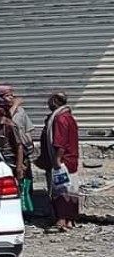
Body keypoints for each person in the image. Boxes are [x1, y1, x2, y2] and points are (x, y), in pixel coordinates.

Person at [39, 92, 80, 231]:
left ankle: (61, 220)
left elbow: (60, 141)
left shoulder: (60, 119)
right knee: (70, 188)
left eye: (50, 100)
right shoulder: (68, 117)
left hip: (62, 161)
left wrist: (57, 159)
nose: (48, 103)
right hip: (71, 160)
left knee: (60, 189)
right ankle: (69, 220)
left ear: (56, 102)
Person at [0, 85, 36, 215]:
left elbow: (27, 130)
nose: (11, 98)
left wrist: (30, 148)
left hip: (23, 152)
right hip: (7, 155)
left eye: (12, 95)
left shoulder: (20, 111)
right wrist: (14, 105)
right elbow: (7, 121)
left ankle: (27, 211)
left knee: (26, 182)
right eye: (7, 96)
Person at [0, 104, 26, 213]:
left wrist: (19, 167)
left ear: (0, 111)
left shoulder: (9, 125)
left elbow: (19, 146)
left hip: (9, 162)